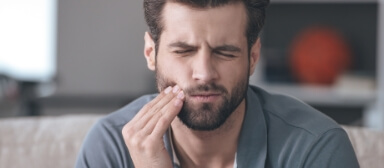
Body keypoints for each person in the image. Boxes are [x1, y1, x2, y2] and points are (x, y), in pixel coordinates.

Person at [75, 0, 360, 167]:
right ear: (151, 53)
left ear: (253, 57)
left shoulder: (314, 148)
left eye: (225, 52)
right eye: (183, 51)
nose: (204, 73)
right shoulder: (111, 148)